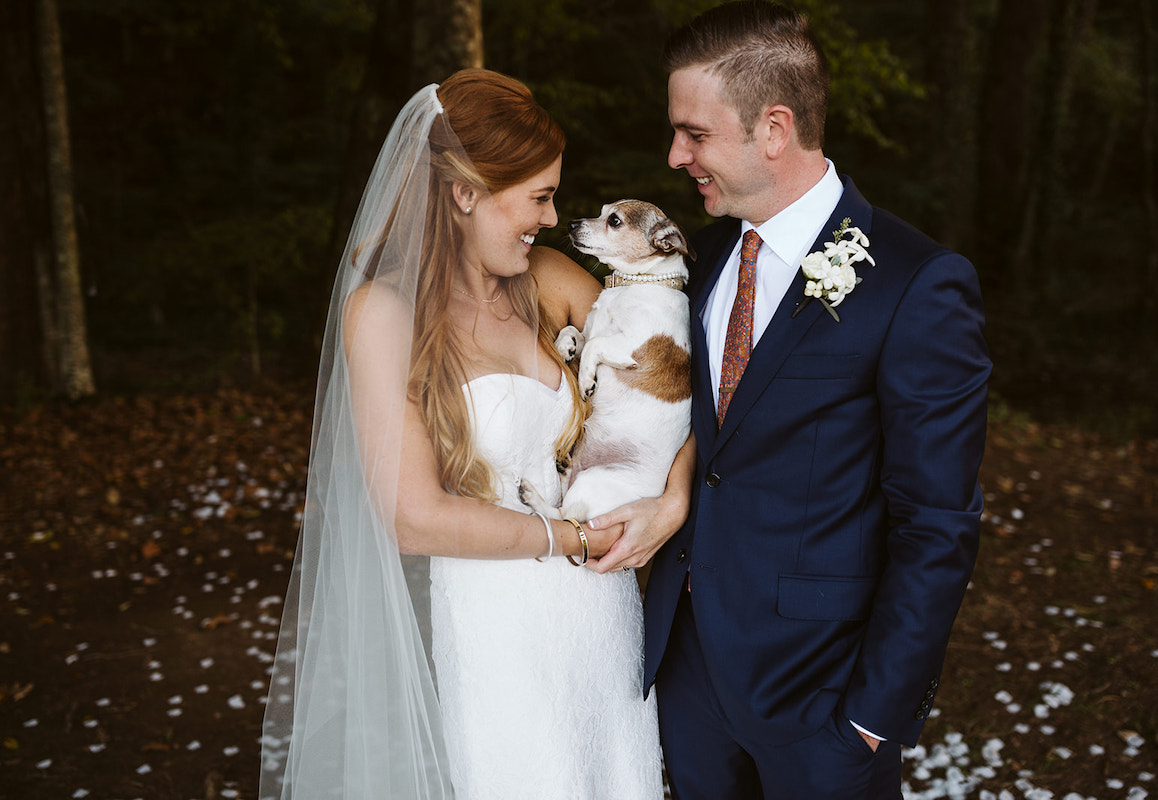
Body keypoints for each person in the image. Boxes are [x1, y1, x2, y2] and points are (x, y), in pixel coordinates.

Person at [588, 3, 991, 797]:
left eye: (694, 135)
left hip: (823, 702)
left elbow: (937, 524)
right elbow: (710, 441)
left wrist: (872, 720)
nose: (675, 156)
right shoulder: (695, 261)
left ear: (773, 128)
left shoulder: (915, 283)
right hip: (687, 676)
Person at [258, 69, 681, 800]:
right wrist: (570, 541)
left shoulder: (549, 280)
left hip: (604, 617)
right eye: (539, 197)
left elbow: (673, 387)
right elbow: (412, 516)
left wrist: (670, 502)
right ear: (464, 194)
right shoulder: (383, 316)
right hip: (496, 628)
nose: (551, 220)